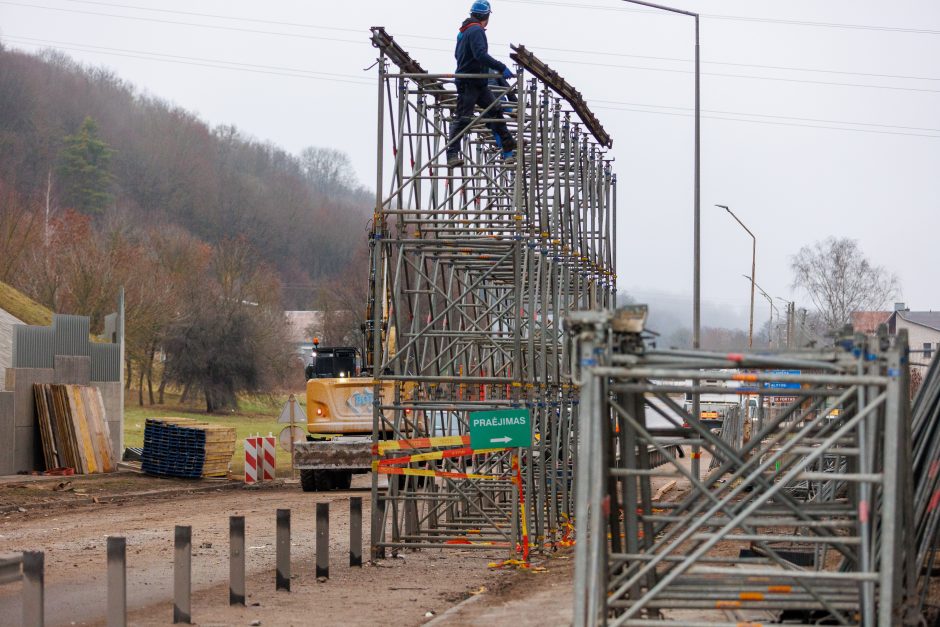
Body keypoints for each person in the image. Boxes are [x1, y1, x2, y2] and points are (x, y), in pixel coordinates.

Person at [446, 1, 517, 169]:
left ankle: (508, 148)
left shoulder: (463, 32)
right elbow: (480, 54)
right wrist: (500, 67)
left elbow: (458, 55)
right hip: (469, 82)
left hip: (479, 83)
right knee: (463, 118)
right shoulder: (476, 30)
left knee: (496, 110)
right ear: (486, 16)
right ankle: (452, 155)